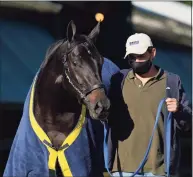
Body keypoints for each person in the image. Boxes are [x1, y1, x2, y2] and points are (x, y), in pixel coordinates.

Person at [106, 33, 192, 177]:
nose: (136, 60)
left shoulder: (171, 82)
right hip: (122, 169)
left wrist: (179, 110)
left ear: (153, 53)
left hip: (159, 170)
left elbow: (188, 124)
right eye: (132, 57)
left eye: (140, 55)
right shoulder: (118, 80)